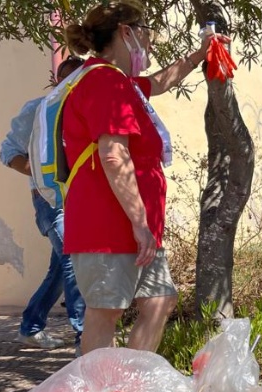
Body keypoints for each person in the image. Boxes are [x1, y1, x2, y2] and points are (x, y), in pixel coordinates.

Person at [62, 0, 229, 355]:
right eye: (147, 33)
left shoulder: (121, 83)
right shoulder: (105, 82)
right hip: (110, 227)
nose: (151, 43)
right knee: (106, 312)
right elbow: (113, 154)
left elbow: (160, 82)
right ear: (127, 32)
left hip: (136, 229)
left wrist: (201, 54)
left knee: (160, 300)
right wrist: (139, 222)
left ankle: (131, 387)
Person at [0, 56, 86, 353]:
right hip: (51, 201)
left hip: (81, 202)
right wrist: (42, 178)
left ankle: (30, 328)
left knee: (61, 269)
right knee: (74, 259)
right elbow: (9, 152)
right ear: (56, 82)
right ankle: (84, 338)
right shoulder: (38, 109)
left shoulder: (87, 111)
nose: (74, 86)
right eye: (68, 80)